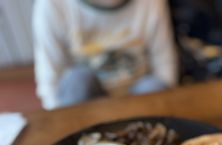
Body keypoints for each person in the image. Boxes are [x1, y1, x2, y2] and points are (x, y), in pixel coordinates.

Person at [32, 0, 178, 109]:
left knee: (154, 86)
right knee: (78, 81)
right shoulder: (52, 5)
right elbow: (50, 79)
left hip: (138, 93)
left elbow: (164, 62)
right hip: (88, 100)